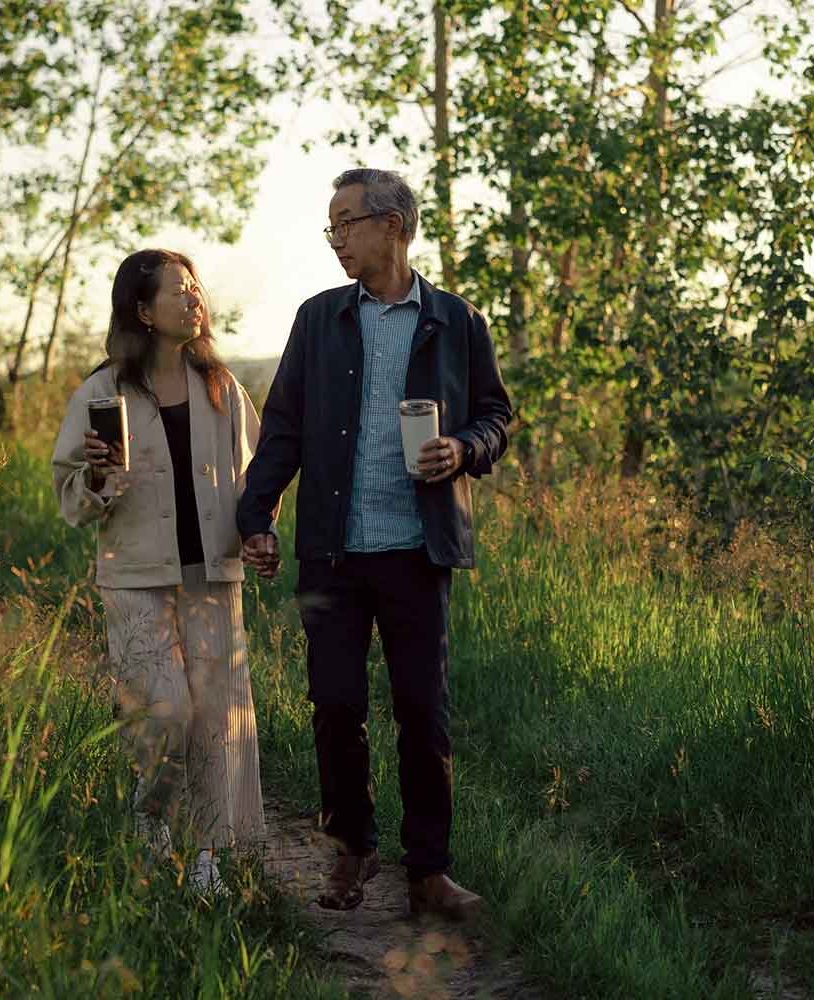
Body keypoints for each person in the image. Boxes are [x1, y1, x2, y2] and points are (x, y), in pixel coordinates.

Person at [237, 168, 512, 920]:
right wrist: (255, 515)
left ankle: (428, 873)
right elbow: (284, 427)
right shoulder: (318, 318)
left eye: (346, 223)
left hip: (418, 552)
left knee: (423, 711)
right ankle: (352, 850)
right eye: (331, 227)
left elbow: (496, 416)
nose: (336, 240)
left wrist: (463, 449)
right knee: (335, 706)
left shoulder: (457, 321)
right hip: (333, 550)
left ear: (392, 225)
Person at [52, 248, 266, 895]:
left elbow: (255, 476)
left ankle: (204, 863)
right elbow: (72, 498)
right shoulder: (101, 391)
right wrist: (96, 476)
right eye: (178, 291)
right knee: (166, 711)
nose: (194, 298)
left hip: (212, 577)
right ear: (143, 311)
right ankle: (150, 813)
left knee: (215, 722)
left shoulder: (221, 386)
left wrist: (261, 531)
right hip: (135, 576)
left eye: (196, 287)